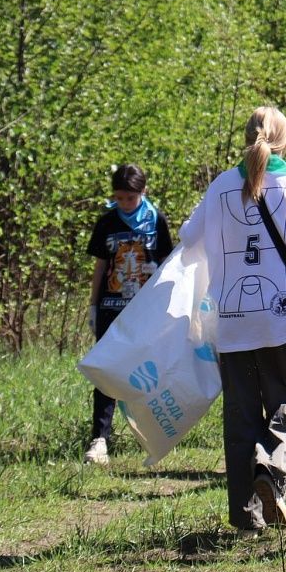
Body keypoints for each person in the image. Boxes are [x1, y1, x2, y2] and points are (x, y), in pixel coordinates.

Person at [178, 106, 286, 532]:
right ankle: (273, 467)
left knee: (241, 419)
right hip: (284, 320)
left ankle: (245, 517)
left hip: (231, 322)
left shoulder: (221, 185)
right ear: (285, 139)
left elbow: (188, 240)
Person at [84, 163, 173, 466]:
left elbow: (167, 264)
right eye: (119, 198)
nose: (124, 204)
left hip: (144, 310)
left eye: (130, 199)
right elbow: (99, 267)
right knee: (107, 371)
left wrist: (165, 303)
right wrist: (93, 305)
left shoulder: (156, 221)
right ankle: (99, 438)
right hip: (111, 308)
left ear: (142, 193)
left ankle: (150, 432)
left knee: (146, 372)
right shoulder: (106, 222)